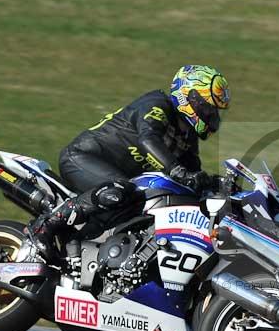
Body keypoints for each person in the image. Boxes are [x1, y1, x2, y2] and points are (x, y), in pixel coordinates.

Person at [28, 64, 231, 259]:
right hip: (82, 157)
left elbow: (192, 175)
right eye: (207, 107)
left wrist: (216, 186)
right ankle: (46, 225)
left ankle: (81, 249)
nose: (210, 115)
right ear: (188, 96)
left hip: (117, 178)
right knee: (119, 190)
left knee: (140, 211)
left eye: (214, 111)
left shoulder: (187, 136)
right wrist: (176, 170)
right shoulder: (157, 104)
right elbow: (148, 138)